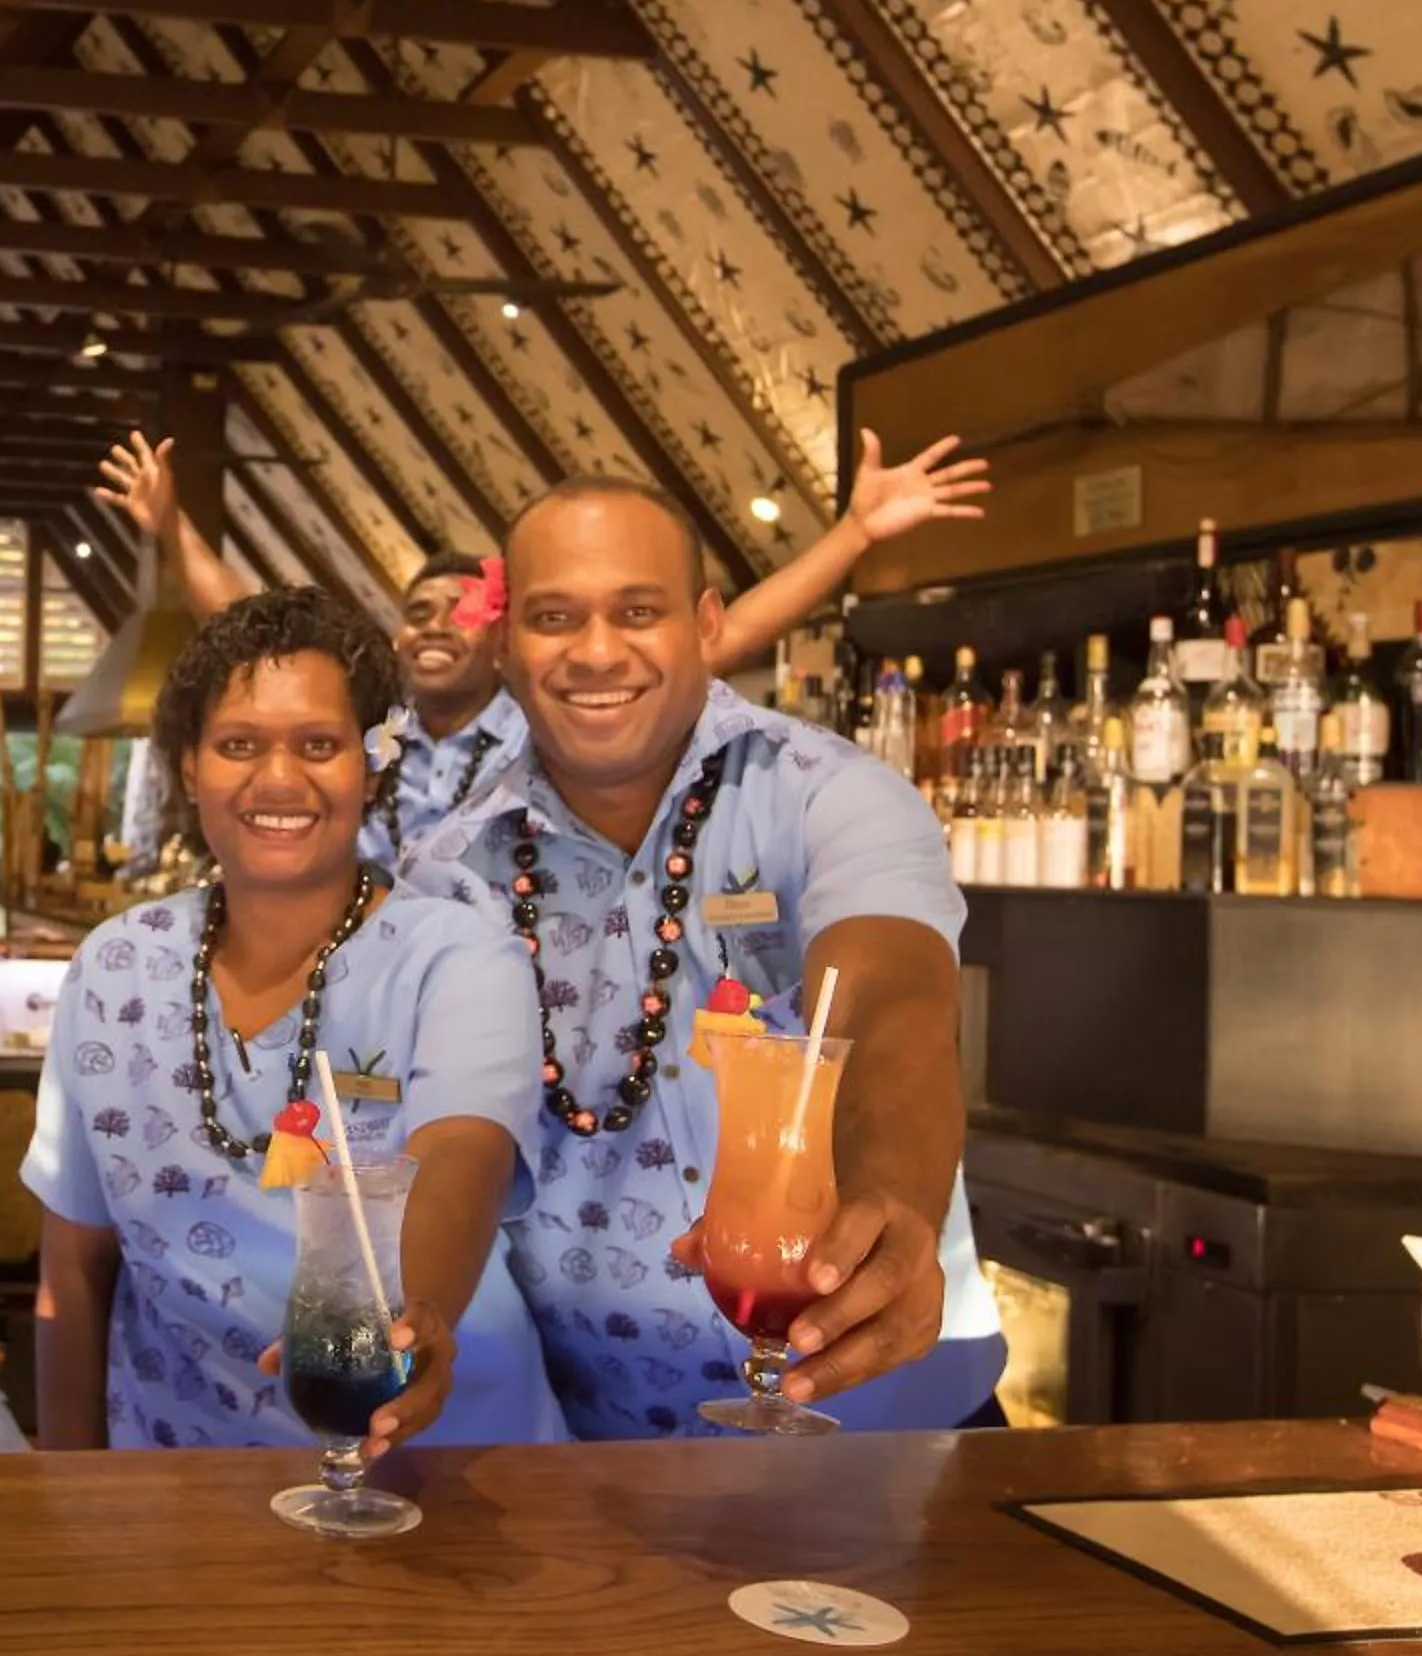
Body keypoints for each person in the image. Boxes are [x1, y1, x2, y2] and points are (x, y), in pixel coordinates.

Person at [394, 477, 1006, 1439]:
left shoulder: (829, 795)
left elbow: (892, 1004)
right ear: (506, 644)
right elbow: (460, 1127)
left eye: (638, 611)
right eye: (556, 617)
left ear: (707, 622)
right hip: (606, 1458)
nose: (598, 651)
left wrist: (894, 1200)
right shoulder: (449, 876)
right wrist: (419, 1302)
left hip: (888, 1424)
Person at [20, 588, 564, 1451]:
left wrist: (408, 1321)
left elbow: (464, 1154)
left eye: (319, 745)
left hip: (451, 1462)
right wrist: (66, 1491)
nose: (279, 780)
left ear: (372, 762)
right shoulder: (114, 966)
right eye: (239, 745)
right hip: (183, 1484)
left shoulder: (456, 957)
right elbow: (73, 1267)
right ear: (189, 766)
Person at [94, 429, 989, 867]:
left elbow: (725, 636)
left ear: (509, 640)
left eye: (459, 609)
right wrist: (173, 532)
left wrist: (855, 534)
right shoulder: (378, 727)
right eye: (416, 611)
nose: (434, 625)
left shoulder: (547, 718)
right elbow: (261, 632)